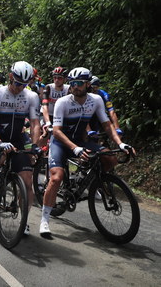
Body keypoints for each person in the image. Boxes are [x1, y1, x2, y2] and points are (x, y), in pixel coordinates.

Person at [40, 67, 133, 237]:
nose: (75, 87)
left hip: (81, 141)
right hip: (60, 142)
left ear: (88, 84)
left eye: (79, 84)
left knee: (110, 159)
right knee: (56, 178)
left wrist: (120, 144)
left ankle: (92, 181)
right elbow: (58, 131)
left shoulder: (96, 100)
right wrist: (74, 148)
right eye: (72, 83)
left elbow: (107, 125)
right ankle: (45, 219)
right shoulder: (63, 102)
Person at [0, 61, 41, 235]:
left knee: (27, 182)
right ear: (11, 77)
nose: (20, 87)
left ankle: (24, 221)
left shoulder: (31, 96)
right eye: (18, 83)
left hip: (17, 138)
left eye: (24, 84)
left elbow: (35, 123)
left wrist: (34, 145)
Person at [41, 67, 69, 141]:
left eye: (59, 78)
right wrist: (47, 122)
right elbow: (44, 106)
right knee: (46, 134)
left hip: (61, 116)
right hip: (48, 114)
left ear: (65, 79)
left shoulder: (68, 89)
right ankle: (36, 149)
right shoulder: (48, 88)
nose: (56, 80)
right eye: (55, 78)